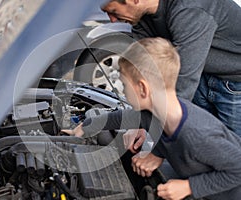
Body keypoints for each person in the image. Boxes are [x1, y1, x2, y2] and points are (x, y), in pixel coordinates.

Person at [62, 37, 241, 200]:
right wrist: (84, 127)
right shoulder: (155, 114)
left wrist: (189, 187)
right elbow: (123, 117)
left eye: (124, 85)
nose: (122, 90)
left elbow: (238, 169)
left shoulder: (197, 134)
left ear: (142, 88)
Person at [100, 0, 241, 137]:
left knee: (233, 149)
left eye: (113, 11)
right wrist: (141, 122)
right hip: (201, 75)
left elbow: (183, 84)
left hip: (234, 84)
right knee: (198, 139)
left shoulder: (190, 8)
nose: (112, 20)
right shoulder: (141, 17)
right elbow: (143, 70)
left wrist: (157, 150)